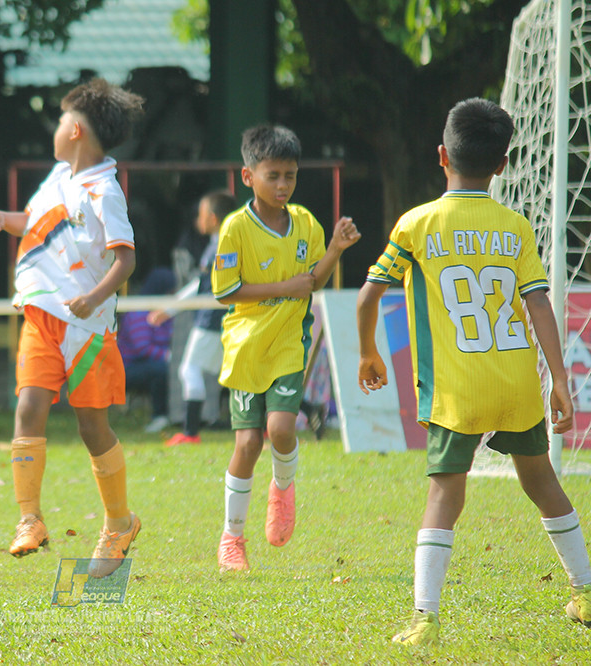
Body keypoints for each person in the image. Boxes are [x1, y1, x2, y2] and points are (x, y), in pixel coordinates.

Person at [357, 98, 591, 645]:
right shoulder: (513, 225)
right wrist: (558, 378)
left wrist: (368, 351)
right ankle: (585, 587)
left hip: (455, 391)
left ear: (442, 155)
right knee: (542, 483)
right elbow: (538, 305)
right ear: (504, 165)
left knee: (445, 495)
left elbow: (370, 295)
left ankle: (425, 619)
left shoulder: (417, 224)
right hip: (513, 383)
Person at [0, 78, 143, 579]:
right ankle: (30, 519)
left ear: (73, 129)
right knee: (28, 406)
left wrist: (94, 296)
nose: (53, 130)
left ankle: (119, 523)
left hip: (87, 326)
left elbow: (126, 259)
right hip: (41, 315)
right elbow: (31, 221)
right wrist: (0, 219)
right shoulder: (56, 178)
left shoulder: (104, 190)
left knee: (92, 427)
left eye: (57, 122)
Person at [211, 125, 360, 573]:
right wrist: (284, 286)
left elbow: (311, 278)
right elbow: (227, 291)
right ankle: (232, 538)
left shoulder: (306, 224)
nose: (282, 185)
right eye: (272, 175)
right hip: (245, 346)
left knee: (280, 429)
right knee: (246, 443)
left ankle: (282, 492)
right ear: (247, 176)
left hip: (288, 343)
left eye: (290, 176)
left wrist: (334, 247)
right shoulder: (235, 228)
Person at [152, 190, 237, 447]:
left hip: (210, 319)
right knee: (237, 376)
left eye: (200, 215)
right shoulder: (225, 243)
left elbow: (204, 286)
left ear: (212, 218)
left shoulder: (220, 246)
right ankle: (306, 409)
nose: (197, 220)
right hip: (225, 319)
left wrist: (170, 308)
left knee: (189, 369)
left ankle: (190, 433)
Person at [118, 267, 176, 433]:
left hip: (151, 364)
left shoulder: (165, 313)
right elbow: (142, 348)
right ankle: (160, 416)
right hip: (128, 369)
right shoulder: (138, 312)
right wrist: (168, 356)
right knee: (161, 370)